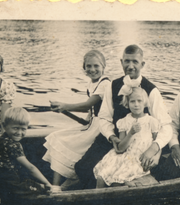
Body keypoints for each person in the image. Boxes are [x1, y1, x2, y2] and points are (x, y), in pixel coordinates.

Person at [74, 44, 172, 189]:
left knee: (121, 179)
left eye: (135, 62)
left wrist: (154, 148)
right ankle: (90, 198)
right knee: (83, 168)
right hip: (115, 139)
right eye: (127, 61)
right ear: (121, 62)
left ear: (142, 64)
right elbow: (105, 118)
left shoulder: (151, 90)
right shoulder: (113, 85)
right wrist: (111, 137)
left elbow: (166, 126)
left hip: (140, 144)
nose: (130, 66)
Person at [42, 50, 111, 188]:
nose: (92, 69)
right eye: (88, 66)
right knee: (57, 138)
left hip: (100, 128)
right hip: (91, 125)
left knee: (64, 144)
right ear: (84, 68)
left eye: (96, 66)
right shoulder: (92, 83)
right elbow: (90, 111)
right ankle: (55, 186)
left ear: (104, 66)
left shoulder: (105, 83)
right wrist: (85, 121)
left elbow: (88, 105)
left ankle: (60, 188)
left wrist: (64, 106)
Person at [93, 87, 160, 188]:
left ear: (145, 102)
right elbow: (121, 148)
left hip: (139, 158)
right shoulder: (124, 122)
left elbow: (158, 143)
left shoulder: (151, 121)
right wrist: (131, 133)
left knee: (120, 179)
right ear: (127, 103)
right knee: (102, 175)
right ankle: (97, 199)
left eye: (139, 101)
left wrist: (156, 157)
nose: (136, 104)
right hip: (123, 155)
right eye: (132, 101)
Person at [0, 107, 54, 200]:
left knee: (27, 179)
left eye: (23, 129)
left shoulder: (2, 138)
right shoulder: (14, 145)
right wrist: (47, 183)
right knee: (42, 188)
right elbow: (30, 168)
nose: (19, 132)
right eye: (15, 128)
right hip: (8, 184)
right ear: (4, 126)